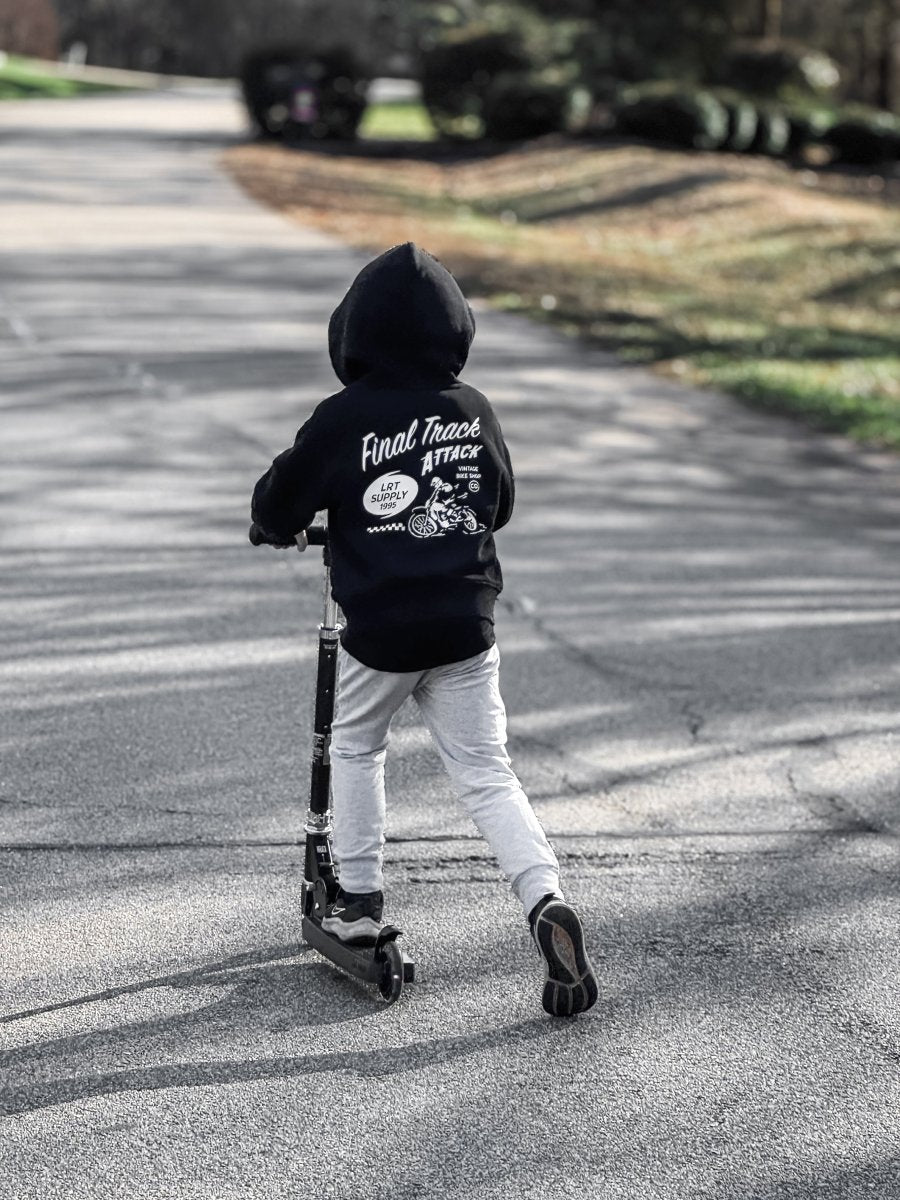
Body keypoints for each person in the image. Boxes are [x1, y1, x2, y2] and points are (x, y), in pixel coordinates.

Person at [250, 242, 597, 1017]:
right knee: (487, 771)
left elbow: (280, 499)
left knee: (356, 743)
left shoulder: (346, 417)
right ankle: (545, 900)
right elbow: (498, 504)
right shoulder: (474, 410)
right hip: (465, 626)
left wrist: (271, 525)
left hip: (382, 632)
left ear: (353, 335)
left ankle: (362, 896)